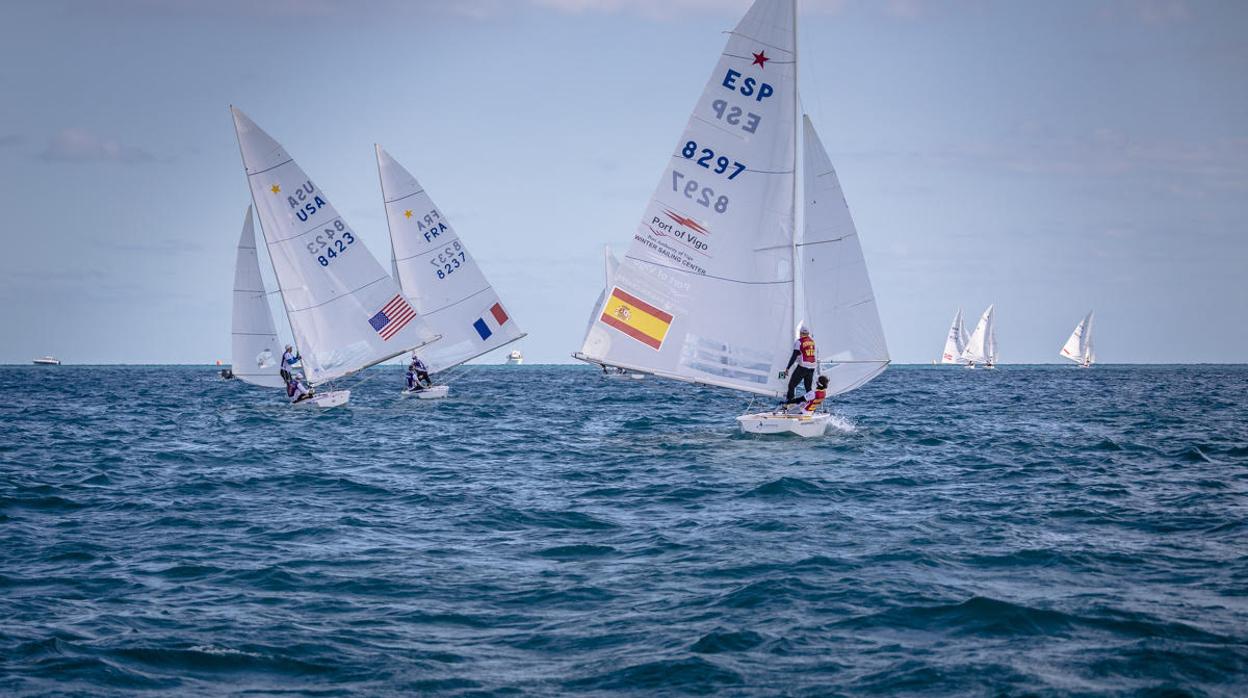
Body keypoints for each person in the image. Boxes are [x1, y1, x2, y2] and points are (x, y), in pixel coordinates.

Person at [781, 327, 817, 401]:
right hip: (812, 366)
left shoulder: (799, 342)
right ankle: (810, 404)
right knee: (808, 387)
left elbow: (794, 356)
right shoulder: (812, 341)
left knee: (791, 385)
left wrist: (788, 368)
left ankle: (790, 403)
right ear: (808, 334)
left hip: (803, 366)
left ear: (800, 333)